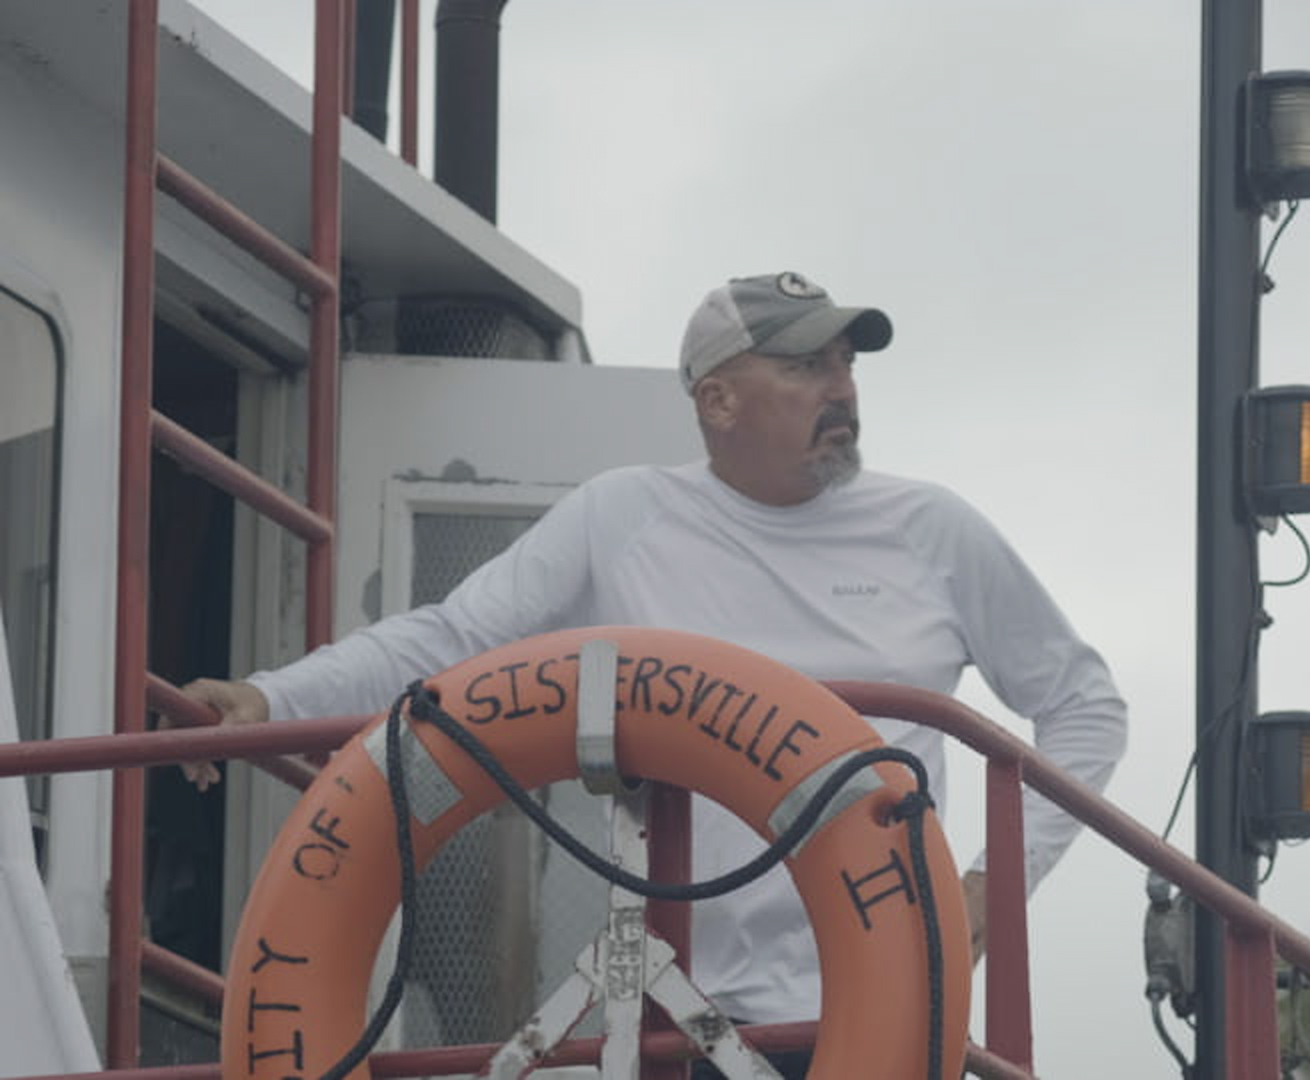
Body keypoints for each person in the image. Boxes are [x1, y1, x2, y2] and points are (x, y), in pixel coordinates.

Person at [183, 270, 1128, 1078]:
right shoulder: (624, 516)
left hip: (885, 1000)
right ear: (718, 401)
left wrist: (985, 887)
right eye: (806, 366)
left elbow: (1085, 708)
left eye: (847, 365)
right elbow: (447, 644)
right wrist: (271, 697)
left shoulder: (934, 532)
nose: (841, 388)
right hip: (678, 1012)